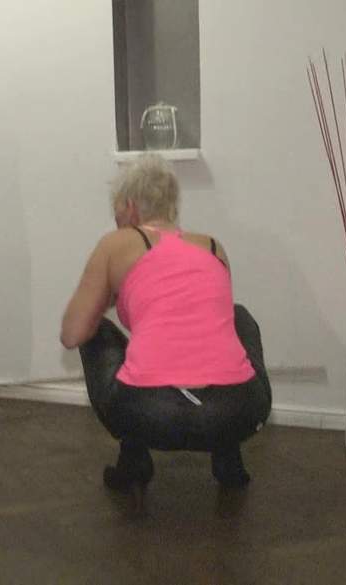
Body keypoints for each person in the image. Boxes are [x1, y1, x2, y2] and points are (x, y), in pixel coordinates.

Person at [60, 155, 272, 495]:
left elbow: (72, 334)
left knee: (94, 329)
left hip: (147, 414)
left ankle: (134, 460)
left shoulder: (116, 243)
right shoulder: (213, 246)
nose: (117, 221)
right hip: (238, 411)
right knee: (238, 316)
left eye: (117, 212)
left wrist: (104, 298)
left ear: (130, 207)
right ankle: (227, 458)